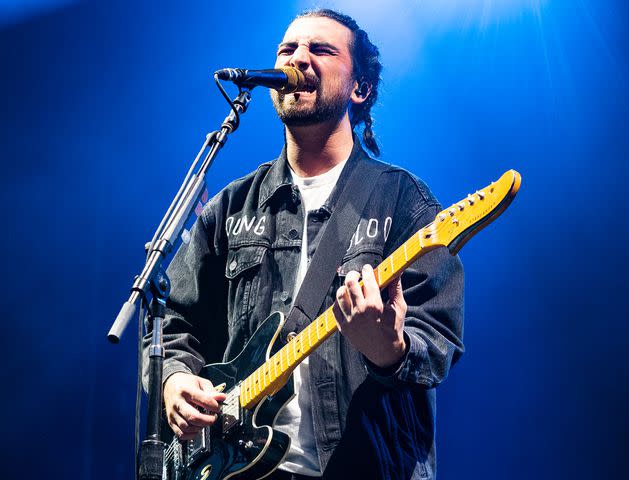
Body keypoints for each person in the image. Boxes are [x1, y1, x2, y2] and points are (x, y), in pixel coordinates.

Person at [146, 9, 464, 480]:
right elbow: (176, 320)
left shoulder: (403, 201)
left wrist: (389, 348)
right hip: (241, 468)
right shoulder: (231, 207)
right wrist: (174, 380)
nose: (299, 58)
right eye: (288, 49)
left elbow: (437, 342)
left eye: (321, 49)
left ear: (360, 88)